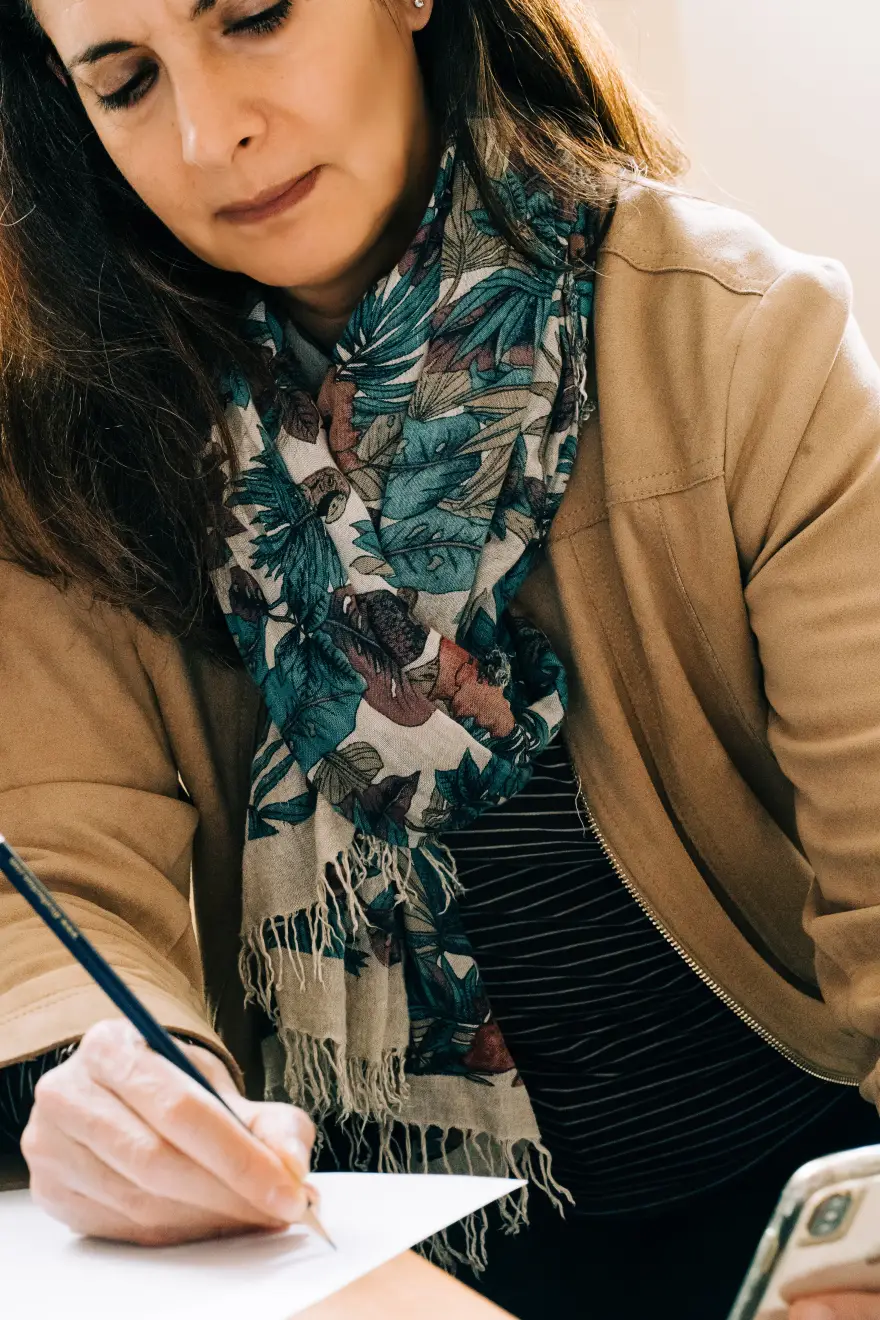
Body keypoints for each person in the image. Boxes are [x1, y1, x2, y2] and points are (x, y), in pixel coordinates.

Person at [0, 0, 878, 1315]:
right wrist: (116, 1081)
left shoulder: (744, 336)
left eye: (253, 16)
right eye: (126, 82)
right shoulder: (75, 451)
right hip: (348, 1250)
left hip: (784, 1223)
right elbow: (58, 882)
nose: (208, 133)